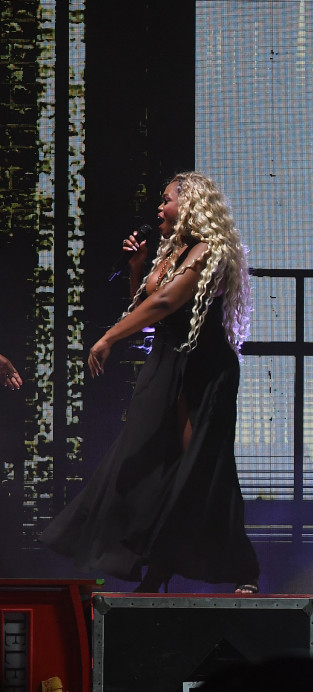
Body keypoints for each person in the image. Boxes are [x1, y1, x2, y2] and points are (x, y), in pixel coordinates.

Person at [41, 171, 259, 593]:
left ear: (192, 204)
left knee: (199, 471)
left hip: (203, 370)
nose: (159, 208)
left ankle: (239, 568)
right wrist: (139, 266)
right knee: (146, 464)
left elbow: (165, 302)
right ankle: (156, 565)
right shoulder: (171, 252)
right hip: (166, 367)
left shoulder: (209, 252)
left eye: (167, 200)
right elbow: (144, 305)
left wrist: (107, 337)